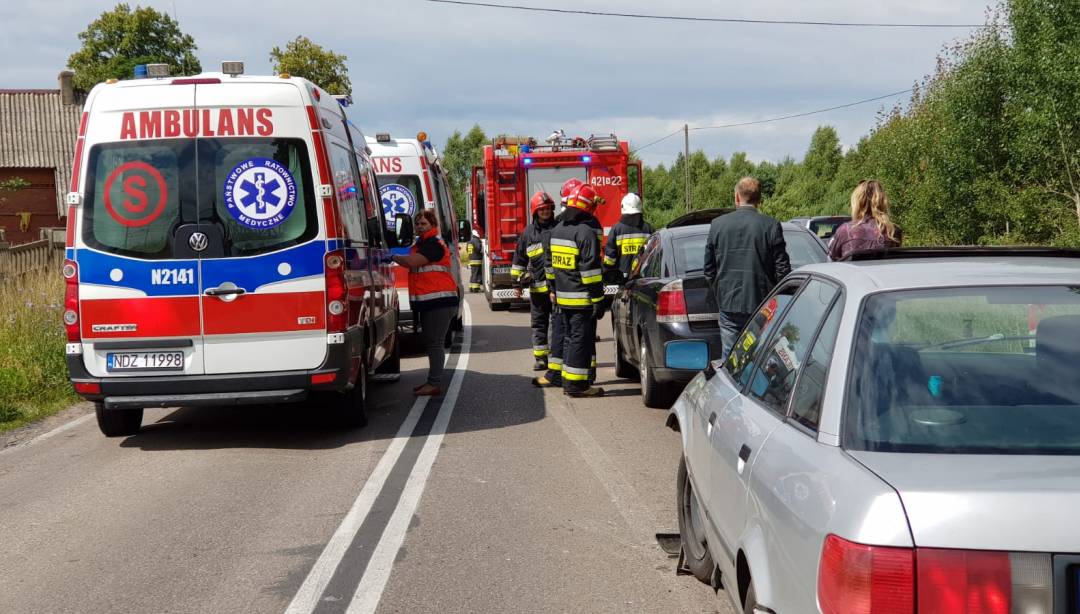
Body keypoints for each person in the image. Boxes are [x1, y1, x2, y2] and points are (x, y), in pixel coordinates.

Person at [704, 177, 792, 361]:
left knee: (730, 359)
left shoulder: (717, 225)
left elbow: (709, 270)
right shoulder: (771, 225)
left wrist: (721, 293)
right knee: (759, 357)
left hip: (729, 304)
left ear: (737, 197)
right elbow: (783, 270)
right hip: (763, 305)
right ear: (759, 199)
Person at [533, 182, 606, 397]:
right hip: (581, 299)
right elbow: (590, 272)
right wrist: (598, 299)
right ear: (587, 208)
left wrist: (554, 289)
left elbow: (550, 266)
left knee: (567, 338)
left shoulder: (557, 231)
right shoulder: (585, 232)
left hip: (562, 298)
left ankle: (567, 380)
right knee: (579, 340)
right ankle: (576, 386)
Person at [391, 209, 459, 396]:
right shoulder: (422, 243)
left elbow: (412, 262)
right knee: (431, 342)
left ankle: (434, 383)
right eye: (418, 224)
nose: (420, 227)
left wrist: (392, 256)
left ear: (433, 225)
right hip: (433, 301)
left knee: (435, 343)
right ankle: (432, 381)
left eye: (424, 224)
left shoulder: (433, 244)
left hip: (440, 301)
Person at [512, 191, 558, 370]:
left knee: (556, 325)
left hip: (556, 290)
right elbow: (519, 260)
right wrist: (516, 283)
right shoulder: (528, 233)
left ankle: (555, 358)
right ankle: (541, 358)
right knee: (539, 324)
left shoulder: (559, 228)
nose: (545, 212)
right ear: (535, 211)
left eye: (548, 209)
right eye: (542, 209)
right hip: (537, 290)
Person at [828, 179, 902, 261]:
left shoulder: (845, 231)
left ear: (857, 203)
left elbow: (830, 263)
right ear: (883, 202)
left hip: (853, 273)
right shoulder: (892, 231)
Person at [603, 193, 653, 284]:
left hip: (622, 280)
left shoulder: (616, 229)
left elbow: (610, 258)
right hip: (644, 280)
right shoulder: (648, 229)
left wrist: (610, 276)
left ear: (623, 207)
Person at [466, 227, 484, 292]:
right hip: (477, 260)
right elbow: (479, 248)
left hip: (471, 260)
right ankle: (476, 288)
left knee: (473, 273)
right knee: (477, 274)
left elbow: (467, 250)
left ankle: (471, 287)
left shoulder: (469, 241)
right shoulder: (476, 240)